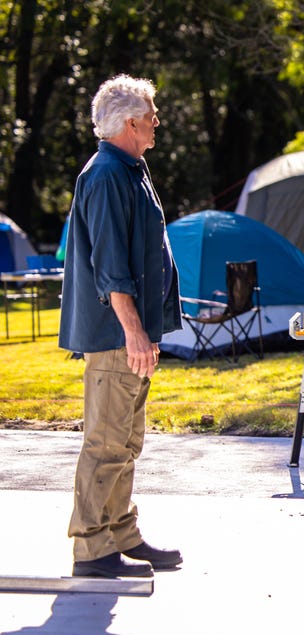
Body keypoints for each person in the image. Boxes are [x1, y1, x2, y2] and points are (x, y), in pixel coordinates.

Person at [59, 74, 183, 577]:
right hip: (116, 334)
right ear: (131, 122)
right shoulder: (108, 174)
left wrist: (148, 331)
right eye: (153, 115)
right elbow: (111, 267)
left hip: (134, 332)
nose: (157, 122)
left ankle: (122, 534)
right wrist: (133, 330)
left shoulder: (131, 167)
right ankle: (91, 547)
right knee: (105, 443)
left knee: (127, 442)